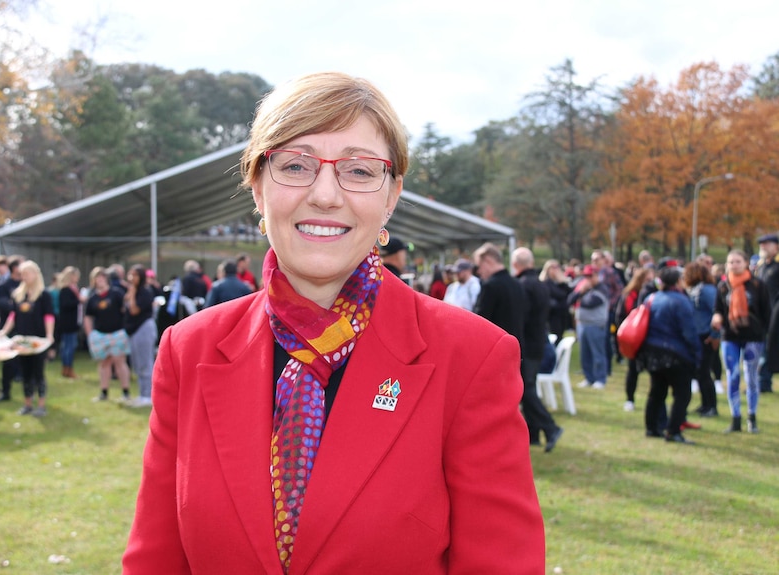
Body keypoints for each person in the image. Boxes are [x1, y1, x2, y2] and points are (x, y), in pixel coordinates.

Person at [123, 72, 544, 574]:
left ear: (391, 196)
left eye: (360, 171)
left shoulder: (471, 357)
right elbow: (155, 560)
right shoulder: (187, 350)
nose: (325, 194)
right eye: (296, 165)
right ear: (257, 188)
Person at [637, 264, 701, 443]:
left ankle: (651, 428)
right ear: (678, 281)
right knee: (682, 394)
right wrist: (697, 354)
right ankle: (673, 431)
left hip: (652, 352)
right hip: (675, 354)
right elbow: (689, 332)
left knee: (657, 391)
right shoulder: (680, 301)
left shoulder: (652, 298)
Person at [712, 249, 772, 433]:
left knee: (751, 376)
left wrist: (763, 332)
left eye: (737, 261)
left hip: (753, 337)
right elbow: (718, 309)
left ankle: (751, 417)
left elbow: (766, 312)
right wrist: (717, 317)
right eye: (730, 262)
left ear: (746, 263)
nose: (734, 265)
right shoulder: (723, 286)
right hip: (730, 336)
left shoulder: (757, 284)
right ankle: (735, 417)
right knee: (732, 375)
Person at [511, 247, 564, 453]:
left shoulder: (523, 286)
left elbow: (521, 318)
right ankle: (533, 434)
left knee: (527, 390)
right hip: (539, 341)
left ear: (517, 265)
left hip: (528, 344)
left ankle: (551, 427)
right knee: (528, 387)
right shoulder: (540, 285)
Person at [0, 260, 55, 417]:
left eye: (27, 273)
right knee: (25, 373)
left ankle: (41, 405)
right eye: (22, 274)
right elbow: (13, 316)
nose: (24, 277)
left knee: (38, 373)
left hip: (38, 340)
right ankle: (27, 403)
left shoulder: (44, 295)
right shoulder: (18, 294)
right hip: (22, 340)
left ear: (36, 274)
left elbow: (49, 316)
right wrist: (4, 331)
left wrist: (49, 334)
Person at [85, 267, 132, 402]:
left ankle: (126, 392)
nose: (100, 280)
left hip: (117, 333)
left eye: (102, 277)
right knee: (104, 363)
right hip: (100, 334)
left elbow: (126, 309)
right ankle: (104, 392)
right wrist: (90, 334)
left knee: (119, 362)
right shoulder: (92, 298)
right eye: (97, 278)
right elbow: (88, 317)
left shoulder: (116, 294)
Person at [683, 262, 720, 417]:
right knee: (699, 373)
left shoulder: (707, 290)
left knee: (704, 372)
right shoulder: (697, 289)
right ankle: (705, 404)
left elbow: (716, 312)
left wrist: (715, 335)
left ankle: (711, 406)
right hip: (699, 335)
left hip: (707, 335)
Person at [617, 267, 655, 411]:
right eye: (647, 280)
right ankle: (629, 399)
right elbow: (620, 316)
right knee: (632, 371)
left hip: (649, 338)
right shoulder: (629, 295)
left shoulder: (653, 295)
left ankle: (653, 403)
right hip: (634, 338)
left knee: (654, 373)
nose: (649, 283)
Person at [568, 264, 609, 389]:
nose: (588, 279)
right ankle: (589, 377)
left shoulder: (602, 288)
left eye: (590, 276)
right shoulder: (584, 288)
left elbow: (589, 303)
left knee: (597, 354)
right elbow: (570, 300)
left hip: (596, 325)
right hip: (583, 325)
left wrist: (580, 295)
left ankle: (600, 379)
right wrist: (580, 292)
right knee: (584, 354)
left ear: (597, 276)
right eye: (586, 276)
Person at [123, 264, 157, 407]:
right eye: (130, 274)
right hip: (134, 330)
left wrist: (132, 294)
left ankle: (148, 395)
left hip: (144, 328)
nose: (131, 278)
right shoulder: (133, 291)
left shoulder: (145, 292)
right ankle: (142, 393)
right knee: (137, 364)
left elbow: (134, 310)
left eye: (135, 275)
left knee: (145, 363)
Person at [0, 257, 22, 402]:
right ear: (14, 268)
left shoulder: (25, 284)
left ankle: (29, 389)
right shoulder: (5, 285)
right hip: (8, 328)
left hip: (24, 328)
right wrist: (18, 305)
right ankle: (5, 392)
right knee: (7, 361)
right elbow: (6, 306)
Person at [754, 233, 779, 393]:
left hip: (775, 315)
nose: (763, 246)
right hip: (760, 316)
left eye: (767, 244)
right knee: (760, 349)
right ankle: (761, 381)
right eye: (761, 244)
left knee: (770, 349)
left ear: (776, 247)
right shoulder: (761, 266)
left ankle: (764, 381)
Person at [56, 266, 83, 379]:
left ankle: (67, 368)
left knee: (68, 346)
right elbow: (66, 305)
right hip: (68, 323)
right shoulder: (66, 290)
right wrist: (78, 301)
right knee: (69, 346)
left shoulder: (72, 289)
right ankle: (67, 368)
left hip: (72, 322)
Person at [540, 259, 572, 344]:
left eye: (557, 267)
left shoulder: (561, 282)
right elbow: (559, 294)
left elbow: (569, 293)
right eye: (552, 267)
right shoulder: (545, 282)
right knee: (555, 336)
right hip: (552, 315)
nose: (555, 270)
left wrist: (562, 282)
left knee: (560, 336)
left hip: (562, 313)